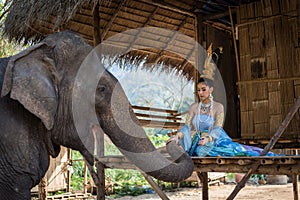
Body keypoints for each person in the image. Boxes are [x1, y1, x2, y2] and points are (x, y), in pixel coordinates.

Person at [167, 44, 277, 157]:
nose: (200, 93)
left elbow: (218, 128)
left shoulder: (218, 107)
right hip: (197, 141)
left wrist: (208, 139)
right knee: (199, 151)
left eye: (203, 90)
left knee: (230, 151)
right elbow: (186, 127)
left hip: (215, 139)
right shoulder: (194, 107)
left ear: (211, 90)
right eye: (198, 90)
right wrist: (177, 136)